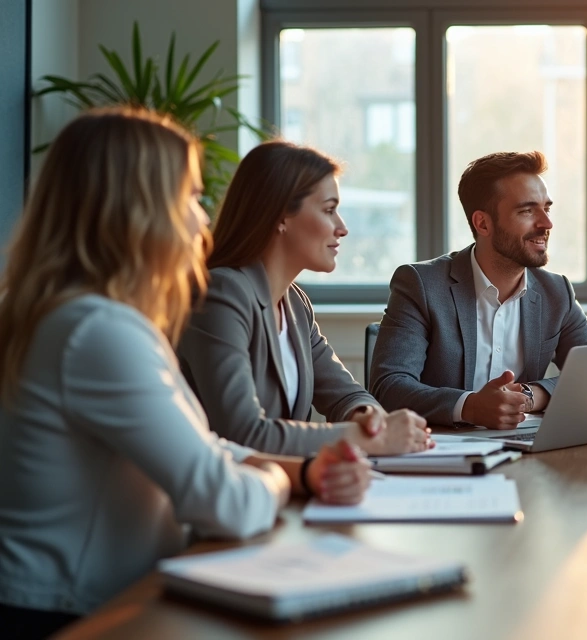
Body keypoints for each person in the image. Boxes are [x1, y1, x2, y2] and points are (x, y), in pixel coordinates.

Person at [0, 109, 372, 639]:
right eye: (192, 198)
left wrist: (308, 472)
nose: (202, 221)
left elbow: (204, 446)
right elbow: (226, 502)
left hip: (82, 601)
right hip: (76, 616)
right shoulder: (98, 331)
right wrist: (277, 477)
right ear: (139, 209)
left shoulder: (73, 315)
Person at [177, 141, 432, 457]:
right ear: (281, 215)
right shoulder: (221, 294)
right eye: (329, 210)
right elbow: (243, 433)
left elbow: (345, 395)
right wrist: (366, 439)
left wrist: (371, 420)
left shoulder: (295, 303)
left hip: (289, 481)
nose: (342, 228)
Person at [370, 151, 587, 429]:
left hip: (522, 445)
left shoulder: (556, 292)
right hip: (442, 446)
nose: (546, 223)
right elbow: (389, 386)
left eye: (547, 208)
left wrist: (530, 396)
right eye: (527, 211)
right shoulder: (421, 284)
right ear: (482, 223)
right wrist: (470, 407)